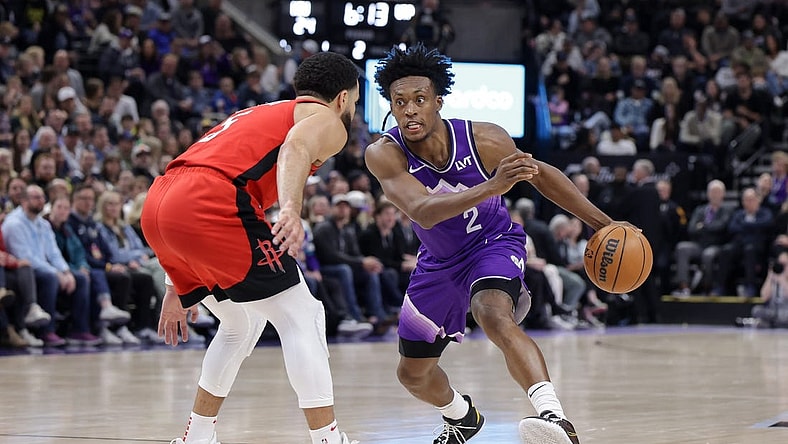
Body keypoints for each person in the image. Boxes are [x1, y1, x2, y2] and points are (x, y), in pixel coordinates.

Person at [365, 43, 632, 444]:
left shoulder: (484, 138)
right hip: (437, 262)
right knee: (412, 374)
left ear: (438, 102)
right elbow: (422, 211)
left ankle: (555, 418)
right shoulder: (383, 153)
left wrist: (604, 224)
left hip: (493, 242)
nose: (409, 110)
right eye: (399, 102)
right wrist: (491, 185)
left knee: (492, 313)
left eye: (419, 100)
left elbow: (540, 175)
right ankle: (461, 417)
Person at [139, 51, 360, 444]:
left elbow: (192, 180)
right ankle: (328, 439)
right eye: (355, 102)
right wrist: (291, 209)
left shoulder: (260, 112)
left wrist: (176, 284)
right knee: (302, 315)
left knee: (241, 323)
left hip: (161, 202)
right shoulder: (326, 119)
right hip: (210, 201)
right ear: (342, 98)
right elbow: (296, 148)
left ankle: (197, 436)